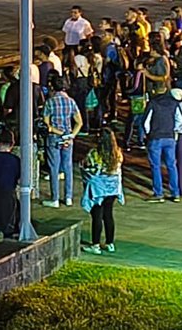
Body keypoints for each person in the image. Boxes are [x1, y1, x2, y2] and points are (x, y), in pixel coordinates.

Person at [81, 128, 125, 255]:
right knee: (108, 215)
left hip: (98, 190)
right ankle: (110, 243)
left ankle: (95, 245)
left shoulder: (95, 154)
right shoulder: (118, 153)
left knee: (97, 216)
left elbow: (87, 166)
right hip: (112, 188)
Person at [42, 76, 83, 207]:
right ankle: (68, 197)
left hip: (54, 137)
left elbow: (46, 124)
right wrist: (71, 135)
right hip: (68, 138)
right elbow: (79, 122)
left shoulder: (50, 102)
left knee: (54, 168)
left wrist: (57, 131)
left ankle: (55, 198)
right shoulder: (71, 102)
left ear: (52, 87)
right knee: (68, 167)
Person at [143, 85, 182, 202]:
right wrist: (173, 130)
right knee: (171, 165)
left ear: (154, 90)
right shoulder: (174, 103)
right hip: (170, 137)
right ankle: (175, 193)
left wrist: (149, 133)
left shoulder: (153, 103)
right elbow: (180, 119)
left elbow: (146, 122)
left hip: (155, 137)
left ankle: (158, 193)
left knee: (156, 166)